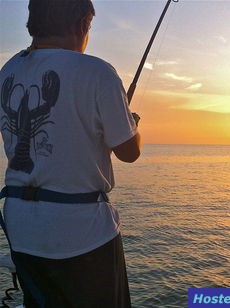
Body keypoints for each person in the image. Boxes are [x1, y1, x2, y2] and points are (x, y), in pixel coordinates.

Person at [0, 0, 141, 306]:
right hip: (83, 233)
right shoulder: (97, 72)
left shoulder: (7, 71)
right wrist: (131, 122)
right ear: (82, 25)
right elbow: (129, 152)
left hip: (22, 231)